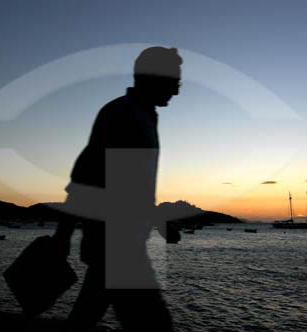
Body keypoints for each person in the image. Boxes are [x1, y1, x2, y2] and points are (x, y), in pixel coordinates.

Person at [54, 46, 182, 332]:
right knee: (157, 325)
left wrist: (157, 220)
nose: (177, 91)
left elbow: (129, 189)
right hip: (117, 248)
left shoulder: (145, 116)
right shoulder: (121, 113)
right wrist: (62, 236)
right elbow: (84, 176)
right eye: (174, 82)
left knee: (84, 317)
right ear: (153, 77)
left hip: (119, 245)